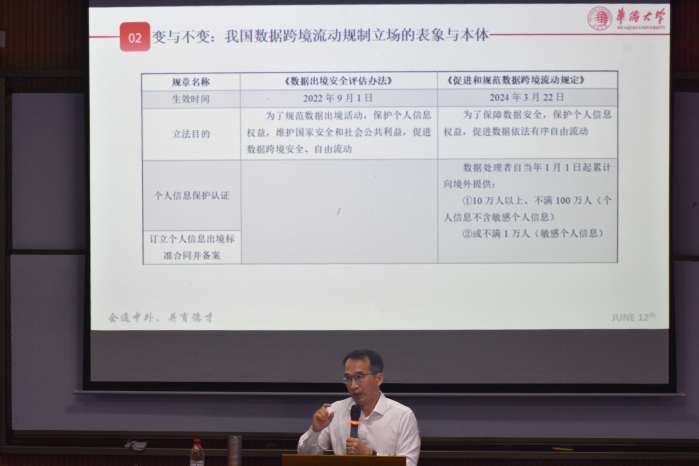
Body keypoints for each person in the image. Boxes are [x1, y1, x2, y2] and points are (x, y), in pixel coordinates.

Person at [297, 349, 421, 466]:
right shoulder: (334, 411)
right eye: (348, 378)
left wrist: (370, 455)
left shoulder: (402, 416)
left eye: (359, 377)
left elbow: (409, 464)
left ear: (378, 379)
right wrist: (315, 431)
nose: (353, 385)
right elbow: (304, 458)